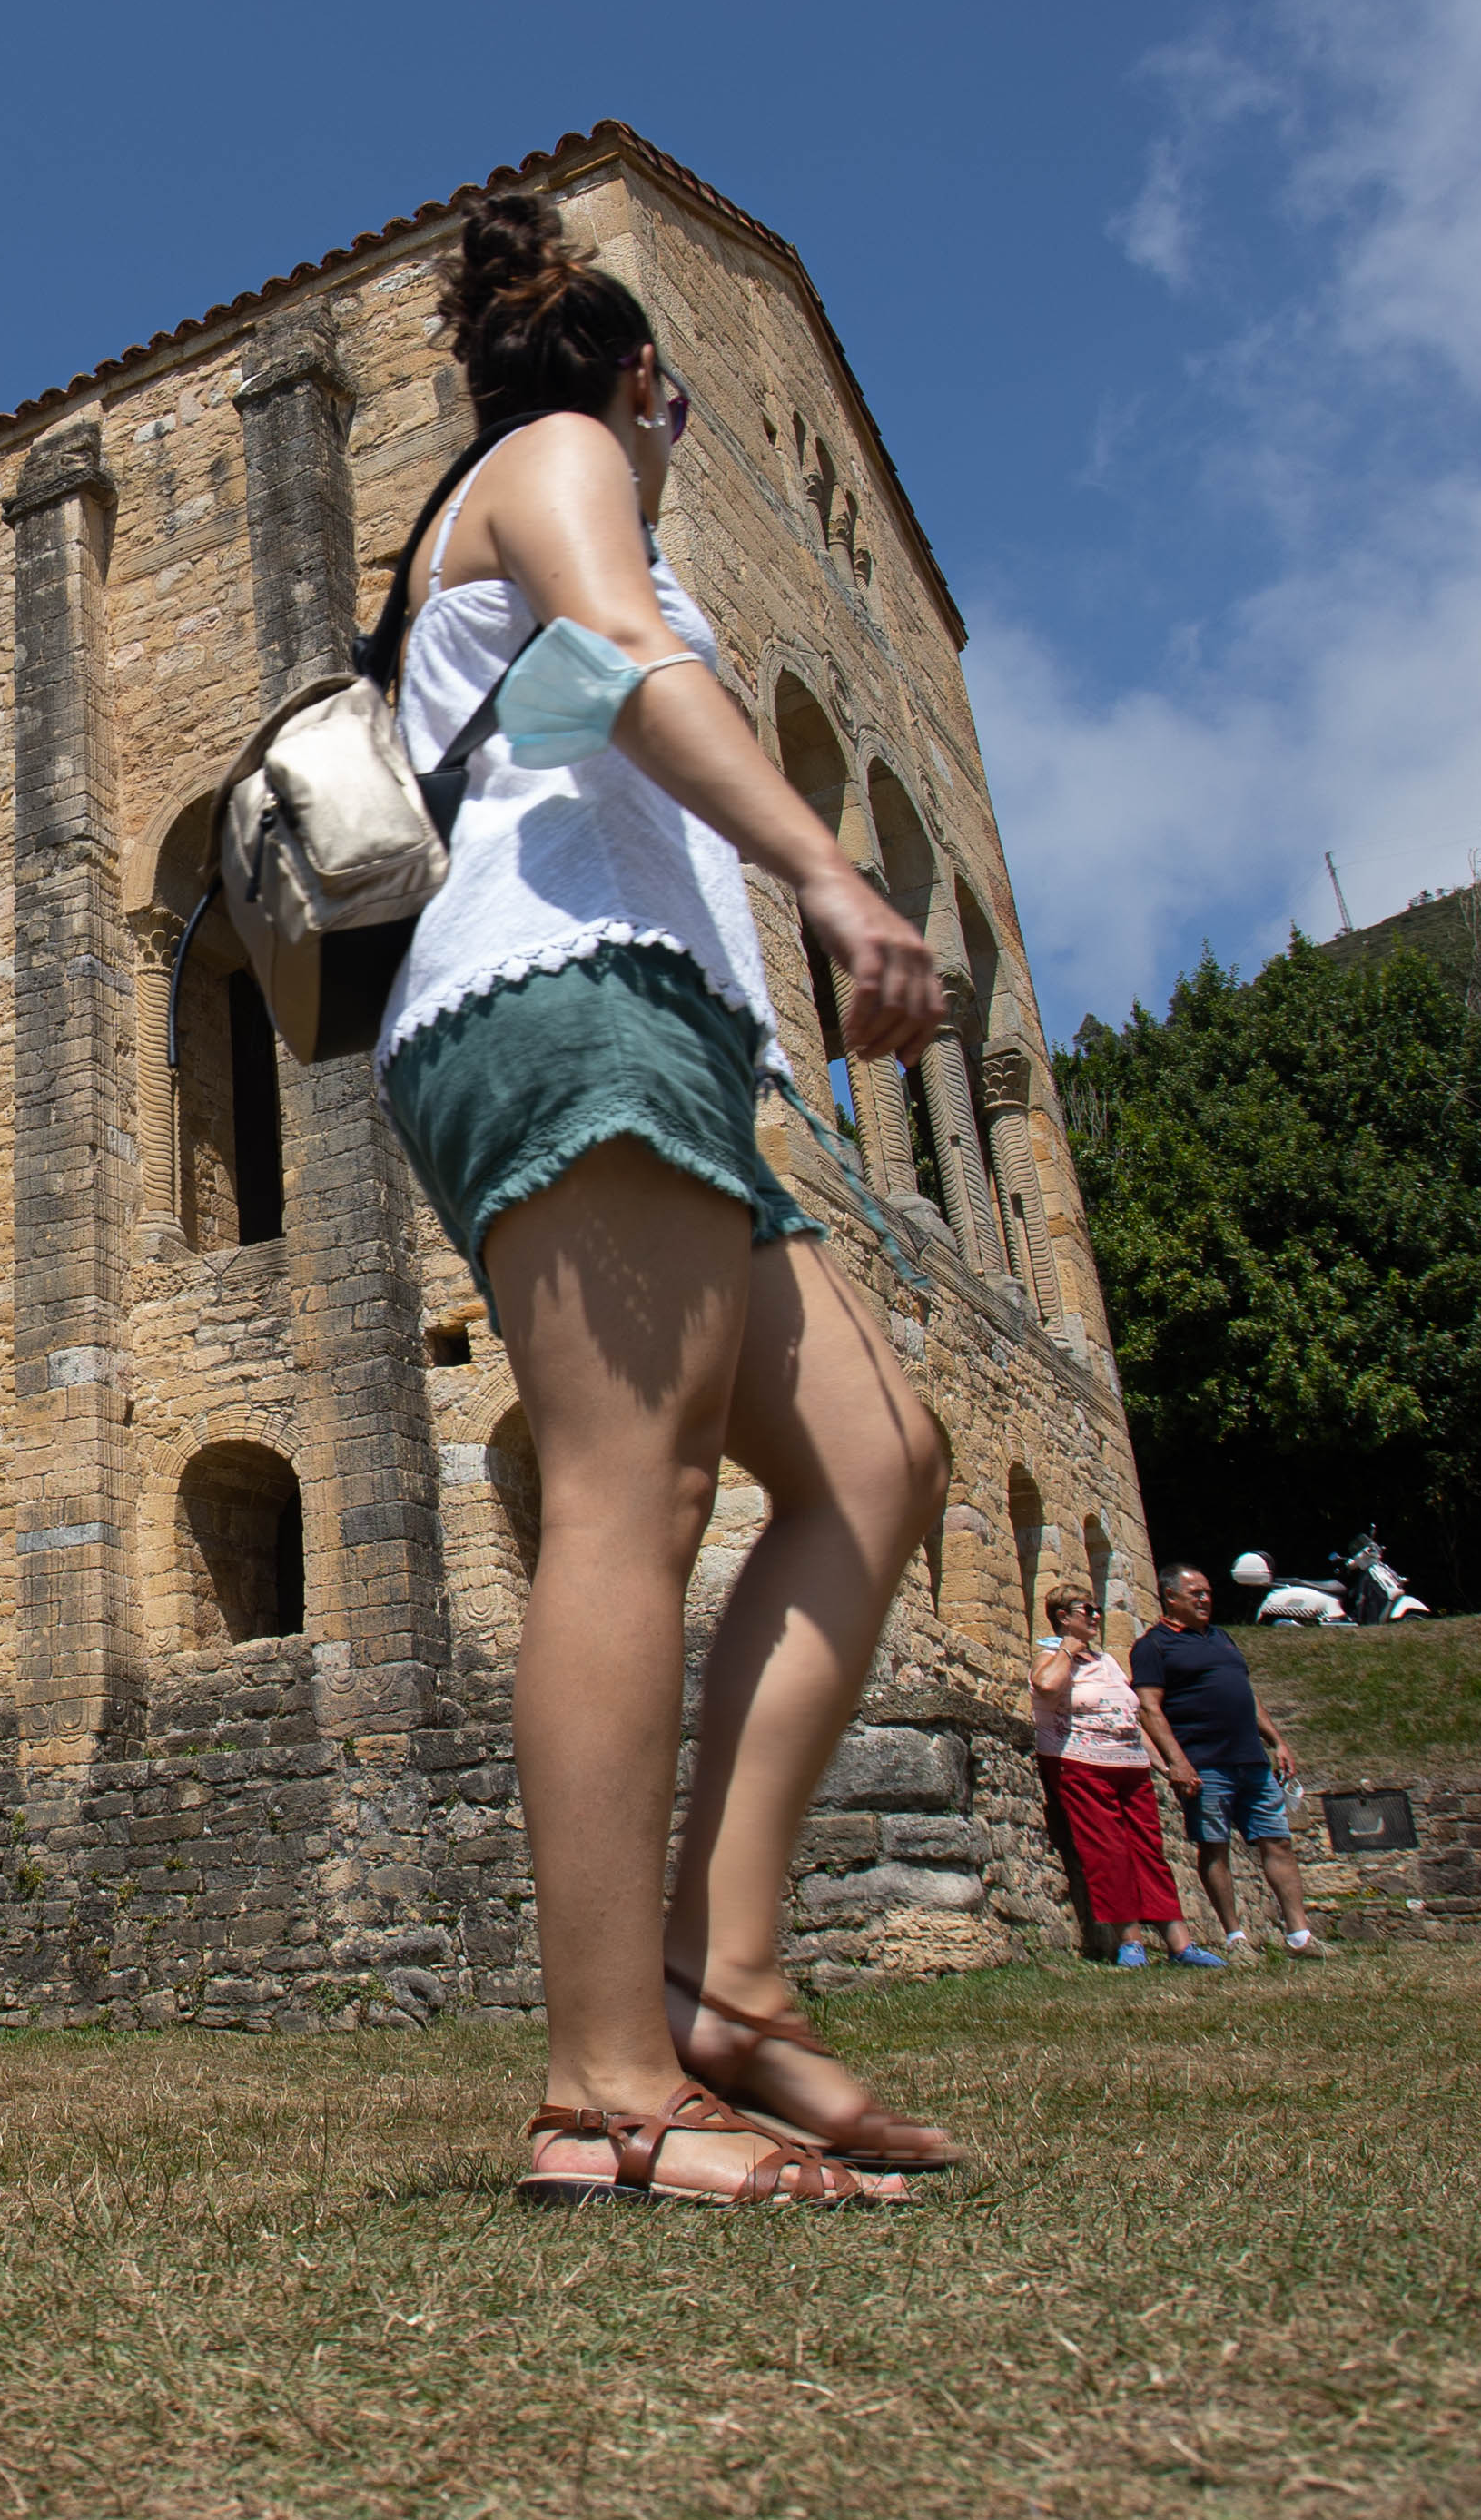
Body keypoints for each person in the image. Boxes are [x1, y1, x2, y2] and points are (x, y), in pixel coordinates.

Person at [369, 193, 957, 2209]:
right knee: (637, 1495)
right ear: (641, 383)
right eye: (676, 403)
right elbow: (618, 664)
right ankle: (605, 2088)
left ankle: (735, 1986)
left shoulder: (554, 498)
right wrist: (836, 874)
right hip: (561, 998)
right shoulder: (555, 469)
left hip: (661, 1025)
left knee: (878, 1457)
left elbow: (605, 681)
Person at [1130, 1566, 1321, 1955]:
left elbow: (1247, 1694)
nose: (1204, 1599)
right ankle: (1236, 1938)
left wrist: (1277, 1740)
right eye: (1195, 1593)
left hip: (1251, 1759)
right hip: (1204, 1763)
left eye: (1207, 1592)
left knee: (1278, 1842)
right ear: (1170, 1597)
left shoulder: (1221, 1638)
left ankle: (1300, 1936)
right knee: (1214, 1846)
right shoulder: (1154, 1645)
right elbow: (1149, 1708)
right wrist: (1177, 1763)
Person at [1032, 1588, 1212, 1967]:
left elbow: (1130, 1717)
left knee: (1150, 1851)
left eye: (1097, 1610)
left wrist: (1166, 1766)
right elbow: (1047, 1686)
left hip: (1131, 1767)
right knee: (1108, 1851)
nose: (1096, 1616)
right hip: (1080, 1765)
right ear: (1063, 1616)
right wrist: (1068, 1647)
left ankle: (1180, 1943)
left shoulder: (1108, 1661)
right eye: (1088, 1610)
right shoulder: (1050, 1656)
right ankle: (1129, 1942)